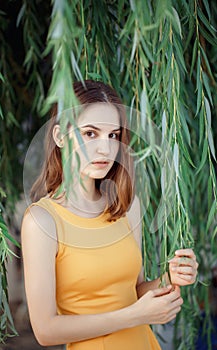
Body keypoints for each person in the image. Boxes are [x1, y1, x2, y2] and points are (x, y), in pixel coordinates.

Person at [21, 80, 198, 350]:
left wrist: (169, 279)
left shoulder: (127, 205)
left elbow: (135, 290)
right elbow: (46, 330)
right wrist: (134, 316)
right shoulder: (42, 221)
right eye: (91, 134)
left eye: (113, 136)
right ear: (59, 136)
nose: (105, 149)